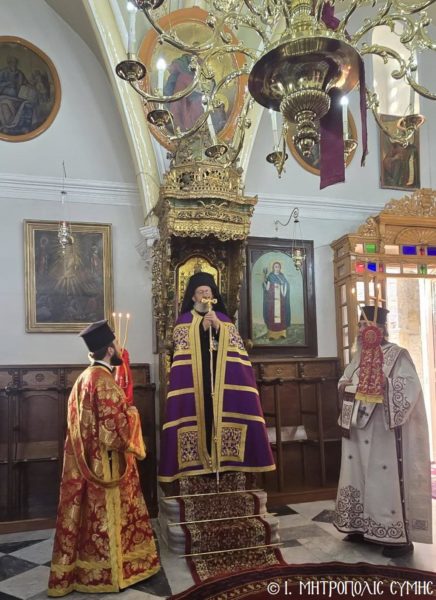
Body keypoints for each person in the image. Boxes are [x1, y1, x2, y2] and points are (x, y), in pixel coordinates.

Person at [48, 320, 160, 596]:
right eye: (116, 344)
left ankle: (86, 571)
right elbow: (114, 434)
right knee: (109, 520)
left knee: (89, 521)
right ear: (109, 350)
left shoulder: (84, 379)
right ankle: (115, 573)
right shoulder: (104, 382)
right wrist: (132, 414)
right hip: (109, 466)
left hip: (86, 463)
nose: (120, 347)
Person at [333, 305, 432, 557]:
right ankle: (358, 526)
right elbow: (344, 380)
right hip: (357, 428)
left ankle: (394, 536)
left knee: (382, 479)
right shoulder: (358, 357)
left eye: (365, 326)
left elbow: (410, 387)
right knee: (357, 476)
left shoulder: (398, 355)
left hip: (383, 430)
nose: (361, 331)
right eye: (359, 326)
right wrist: (347, 387)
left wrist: (384, 386)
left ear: (379, 329)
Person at [158, 272, 275, 482]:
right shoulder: (183, 322)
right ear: (193, 297)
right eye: (200, 292)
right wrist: (200, 330)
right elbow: (180, 350)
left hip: (222, 385)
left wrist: (219, 328)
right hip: (196, 386)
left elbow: (238, 350)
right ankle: (198, 468)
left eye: (208, 291)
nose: (205, 295)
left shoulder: (224, 320)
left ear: (213, 295)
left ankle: (226, 464)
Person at [262, 261, 291, 340]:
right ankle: (272, 335)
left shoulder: (282, 276)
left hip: (280, 300)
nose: (277, 268)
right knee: (272, 316)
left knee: (281, 316)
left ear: (280, 268)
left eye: (278, 267)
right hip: (272, 300)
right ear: (273, 268)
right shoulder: (270, 276)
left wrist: (283, 287)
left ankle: (282, 334)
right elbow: (267, 288)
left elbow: (285, 287)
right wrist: (264, 281)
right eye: (275, 266)